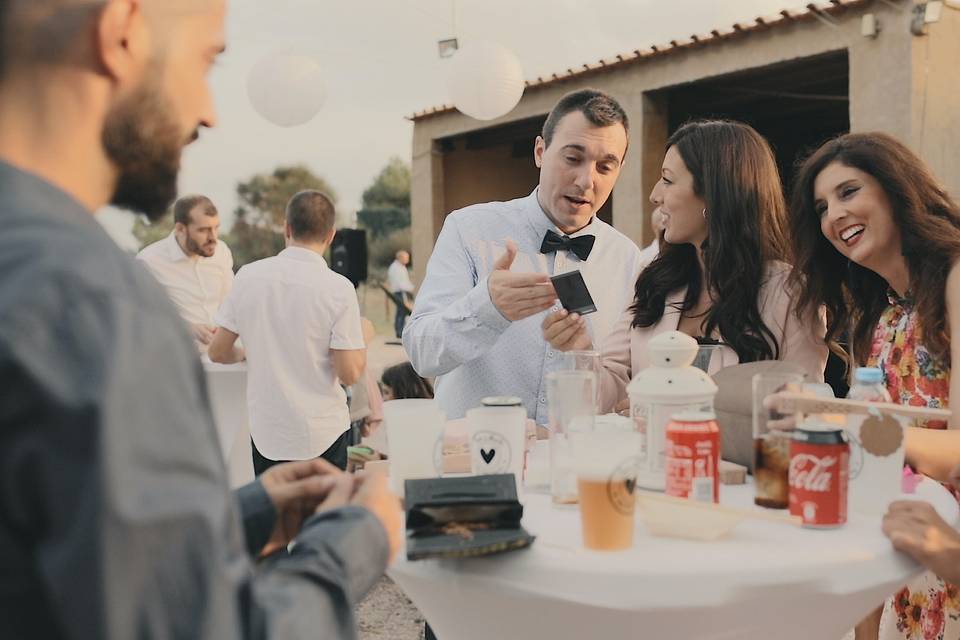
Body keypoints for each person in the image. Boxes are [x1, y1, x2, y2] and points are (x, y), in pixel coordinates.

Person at [0, 2, 400, 638]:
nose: (209, 111)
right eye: (206, 60)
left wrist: (241, 513)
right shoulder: (96, 300)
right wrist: (355, 542)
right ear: (122, 31)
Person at [788, 132, 960, 639]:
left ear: (896, 188)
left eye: (848, 192)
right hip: (908, 546)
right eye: (821, 207)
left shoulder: (955, 277)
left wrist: (843, 424)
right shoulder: (881, 315)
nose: (833, 216)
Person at [544, 120, 828, 412]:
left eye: (667, 180)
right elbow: (610, 390)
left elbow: (805, 409)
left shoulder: (792, 293)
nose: (655, 195)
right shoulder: (653, 279)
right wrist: (580, 348)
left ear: (714, 194)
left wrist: (674, 413)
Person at [404, 88, 643, 423]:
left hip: (571, 465)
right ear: (540, 152)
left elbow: (625, 387)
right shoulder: (468, 229)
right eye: (573, 158)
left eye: (605, 166)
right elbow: (421, 352)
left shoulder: (629, 260)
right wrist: (486, 307)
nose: (586, 180)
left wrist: (582, 356)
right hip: (473, 460)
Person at [209, 191, 368, 473]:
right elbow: (349, 373)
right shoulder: (338, 288)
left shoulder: (248, 276)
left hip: (269, 433)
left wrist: (247, 352)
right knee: (322, 516)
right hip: (323, 432)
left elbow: (218, 352)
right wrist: (363, 336)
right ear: (331, 236)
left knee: (274, 516)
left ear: (287, 228)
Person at [136, 194, 234, 350]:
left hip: (219, 358)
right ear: (180, 229)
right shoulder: (148, 262)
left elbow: (229, 304)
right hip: (174, 360)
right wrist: (186, 327)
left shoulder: (222, 251)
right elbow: (140, 317)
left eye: (216, 228)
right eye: (203, 230)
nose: (213, 238)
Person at [387, 249, 416, 338]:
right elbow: (400, 283)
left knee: (402, 312)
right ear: (400, 258)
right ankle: (399, 332)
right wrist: (411, 288)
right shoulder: (395, 268)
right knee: (401, 312)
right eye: (406, 257)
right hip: (398, 292)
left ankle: (401, 331)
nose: (407, 259)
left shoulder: (401, 267)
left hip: (403, 291)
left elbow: (405, 281)